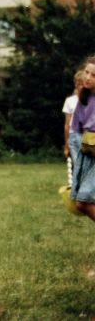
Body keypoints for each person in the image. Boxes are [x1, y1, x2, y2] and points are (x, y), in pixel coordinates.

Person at [69, 56, 95, 222]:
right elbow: (76, 130)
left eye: (94, 75)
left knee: (83, 200)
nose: (87, 77)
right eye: (86, 72)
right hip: (88, 153)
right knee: (81, 202)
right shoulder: (84, 98)